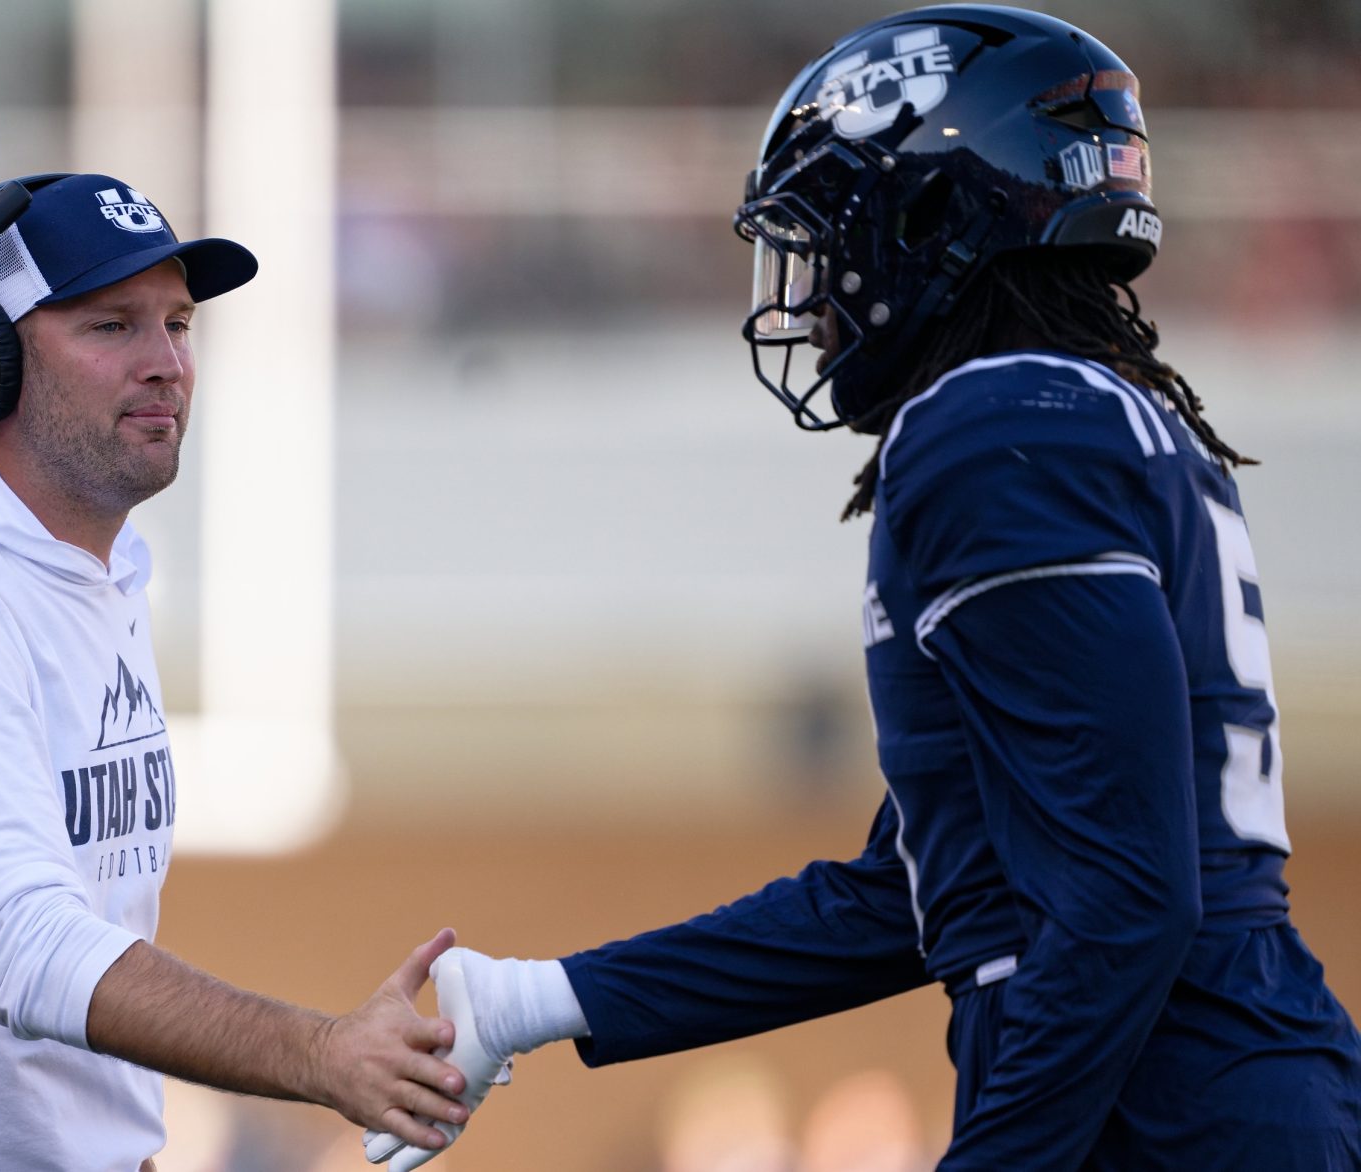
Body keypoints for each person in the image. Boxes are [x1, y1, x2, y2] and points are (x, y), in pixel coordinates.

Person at [368, 7, 1361, 1170]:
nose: (809, 299)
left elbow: (1128, 901)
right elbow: (918, 886)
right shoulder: (1080, 415)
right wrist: (538, 997)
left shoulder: (992, 427)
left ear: (931, 220)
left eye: (827, 241)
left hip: (1165, 1098)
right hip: (1207, 1071)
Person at [0, 172, 470, 1172]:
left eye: (177, 324)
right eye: (111, 325)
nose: (166, 363)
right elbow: (31, 950)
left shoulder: (97, 570)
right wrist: (321, 1053)